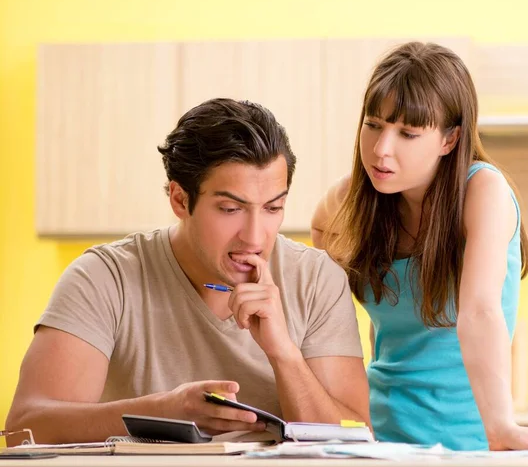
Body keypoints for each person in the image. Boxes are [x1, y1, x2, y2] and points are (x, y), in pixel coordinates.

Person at [7, 98, 369, 445]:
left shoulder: (317, 279)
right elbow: (25, 426)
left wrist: (284, 354)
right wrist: (161, 412)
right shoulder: (104, 277)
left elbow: (356, 440)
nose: (256, 237)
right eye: (230, 209)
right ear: (180, 200)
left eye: (273, 208)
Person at [311, 42, 528, 451]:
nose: (381, 149)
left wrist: (502, 428)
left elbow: (480, 311)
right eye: (374, 124)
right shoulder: (351, 201)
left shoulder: (483, 190)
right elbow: (320, 242)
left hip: (470, 442)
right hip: (379, 441)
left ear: (449, 139)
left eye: (408, 134)